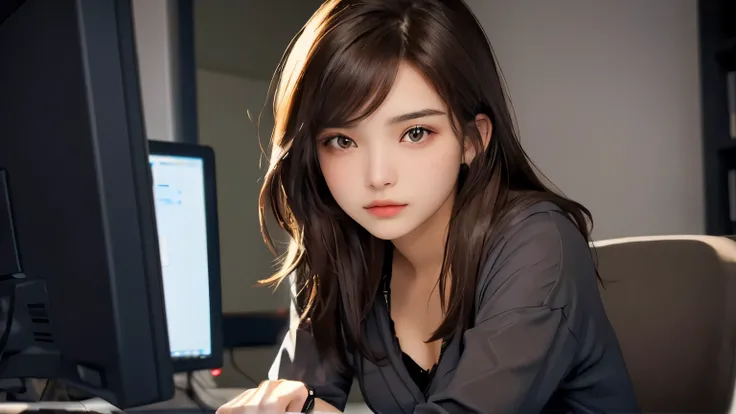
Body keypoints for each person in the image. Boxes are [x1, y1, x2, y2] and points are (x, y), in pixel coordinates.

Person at [217, 0, 640, 413]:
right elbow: (299, 398)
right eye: (342, 140)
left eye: (415, 133)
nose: (378, 176)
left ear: (472, 141)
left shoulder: (538, 245)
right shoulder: (339, 249)